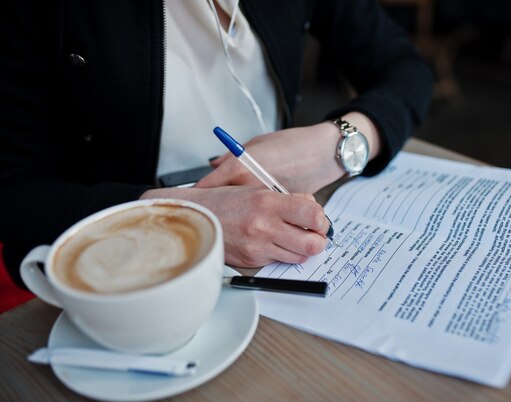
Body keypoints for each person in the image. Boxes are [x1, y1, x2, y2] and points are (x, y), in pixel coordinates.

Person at [0, 0, 433, 285]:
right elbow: (17, 199)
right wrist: (175, 217)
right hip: (125, 281)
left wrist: (336, 145)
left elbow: (404, 66)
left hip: (271, 267)